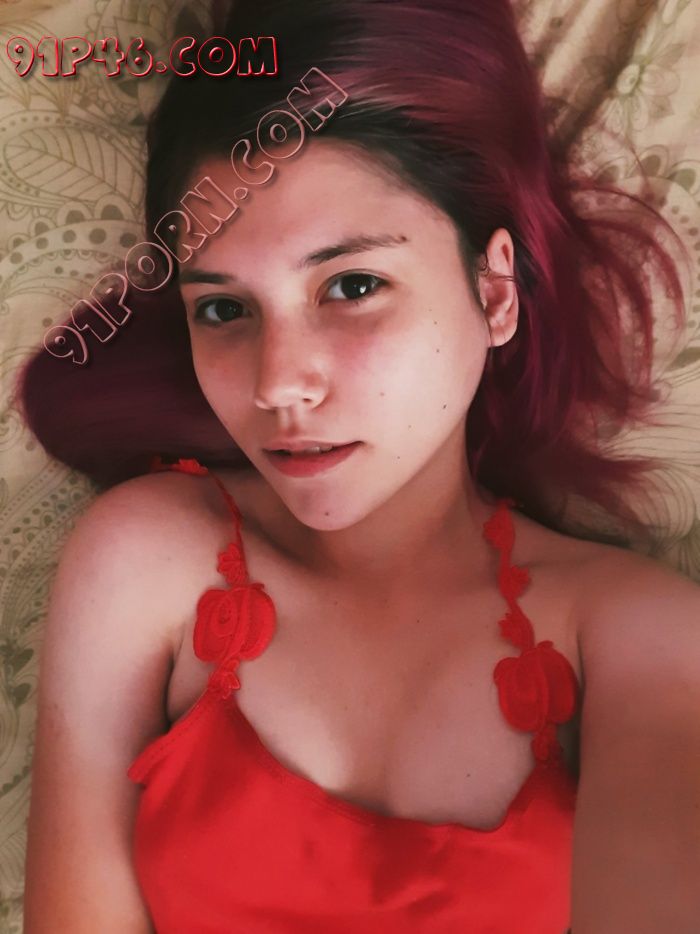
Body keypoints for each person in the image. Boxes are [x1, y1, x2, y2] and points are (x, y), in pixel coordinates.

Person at [19, 0, 700, 931]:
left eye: (351, 285)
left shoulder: (635, 636)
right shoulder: (143, 562)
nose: (278, 384)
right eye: (224, 309)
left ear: (495, 291)